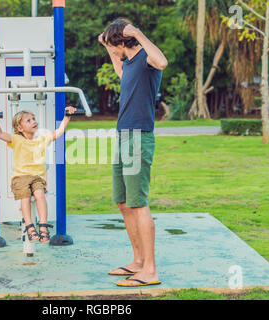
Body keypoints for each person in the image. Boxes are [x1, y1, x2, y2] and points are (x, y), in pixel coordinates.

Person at [98, 18, 168, 287]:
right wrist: (108, 46)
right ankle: (138, 261)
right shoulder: (129, 63)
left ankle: (150, 270)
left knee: (138, 203)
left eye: (111, 43)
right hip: (124, 135)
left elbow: (162, 62)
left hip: (139, 136)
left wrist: (137, 32)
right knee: (124, 202)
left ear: (121, 41)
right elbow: (120, 72)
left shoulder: (146, 58)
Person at [0, 106, 77, 243]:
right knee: (25, 197)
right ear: (20, 128)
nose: (33, 121)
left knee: (40, 195)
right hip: (20, 177)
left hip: (37, 177)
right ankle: (30, 227)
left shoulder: (41, 139)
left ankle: (43, 226)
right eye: (28, 121)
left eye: (33, 119)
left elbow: (58, 132)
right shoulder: (16, 139)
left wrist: (67, 116)